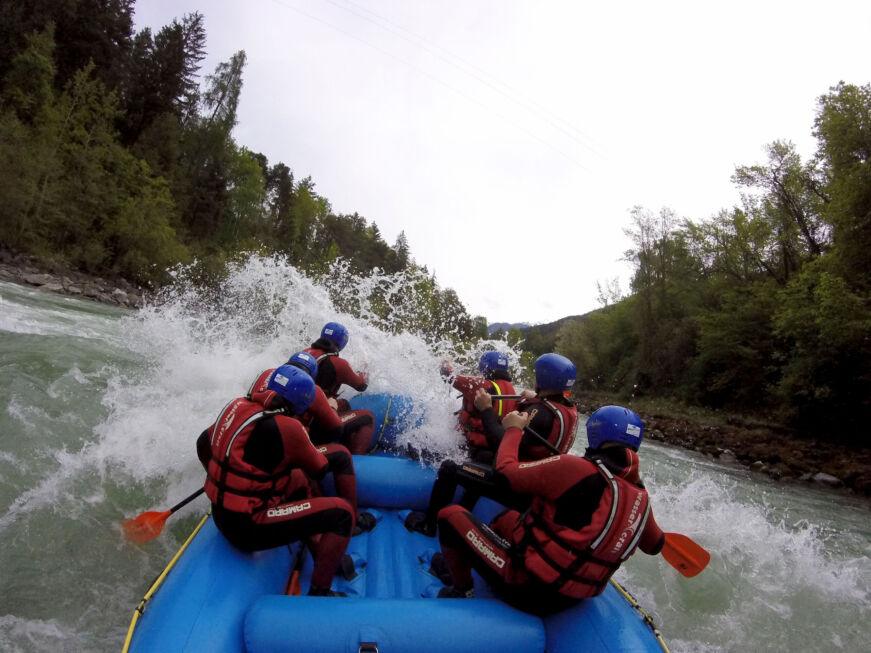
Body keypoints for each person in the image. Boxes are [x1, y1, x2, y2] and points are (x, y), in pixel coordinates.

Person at [434, 405, 665, 615]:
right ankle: (477, 555)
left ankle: (462, 589)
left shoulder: (575, 468)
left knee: (449, 516)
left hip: (525, 587)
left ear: (596, 434)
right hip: (571, 598)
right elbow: (655, 545)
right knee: (511, 518)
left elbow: (505, 474)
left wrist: (514, 429)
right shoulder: (641, 497)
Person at [197, 365, 361, 597]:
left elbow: (203, 443)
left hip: (220, 514)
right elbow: (320, 468)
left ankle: (315, 547)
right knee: (342, 514)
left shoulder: (236, 406)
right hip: (248, 527)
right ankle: (320, 591)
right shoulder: (289, 427)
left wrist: (223, 480)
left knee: (295, 478)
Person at [405, 353, 579, 536]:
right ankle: (461, 517)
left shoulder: (537, 411)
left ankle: (430, 525)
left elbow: (503, 443)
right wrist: (535, 396)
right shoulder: (567, 409)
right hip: (534, 477)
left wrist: (486, 409)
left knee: (450, 467)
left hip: (516, 483)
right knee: (479, 459)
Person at [248, 351, 376, 454]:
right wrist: (331, 407)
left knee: (344, 404)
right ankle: (358, 460)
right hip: (289, 438)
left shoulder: (266, 374)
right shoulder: (312, 389)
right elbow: (335, 428)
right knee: (366, 417)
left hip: (256, 432)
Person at [442, 351, 517, 463]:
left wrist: (444, 361)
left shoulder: (480, 385)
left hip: (471, 448)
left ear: (484, 367)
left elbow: (448, 376)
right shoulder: (511, 390)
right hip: (495, 447)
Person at [304, 322, 369, 401]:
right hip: (316, 408)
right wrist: (365, 370)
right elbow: (361, 386)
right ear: (343, 342)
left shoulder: (305, 352)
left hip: (295, 404)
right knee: (362, 411)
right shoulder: (340, 364)